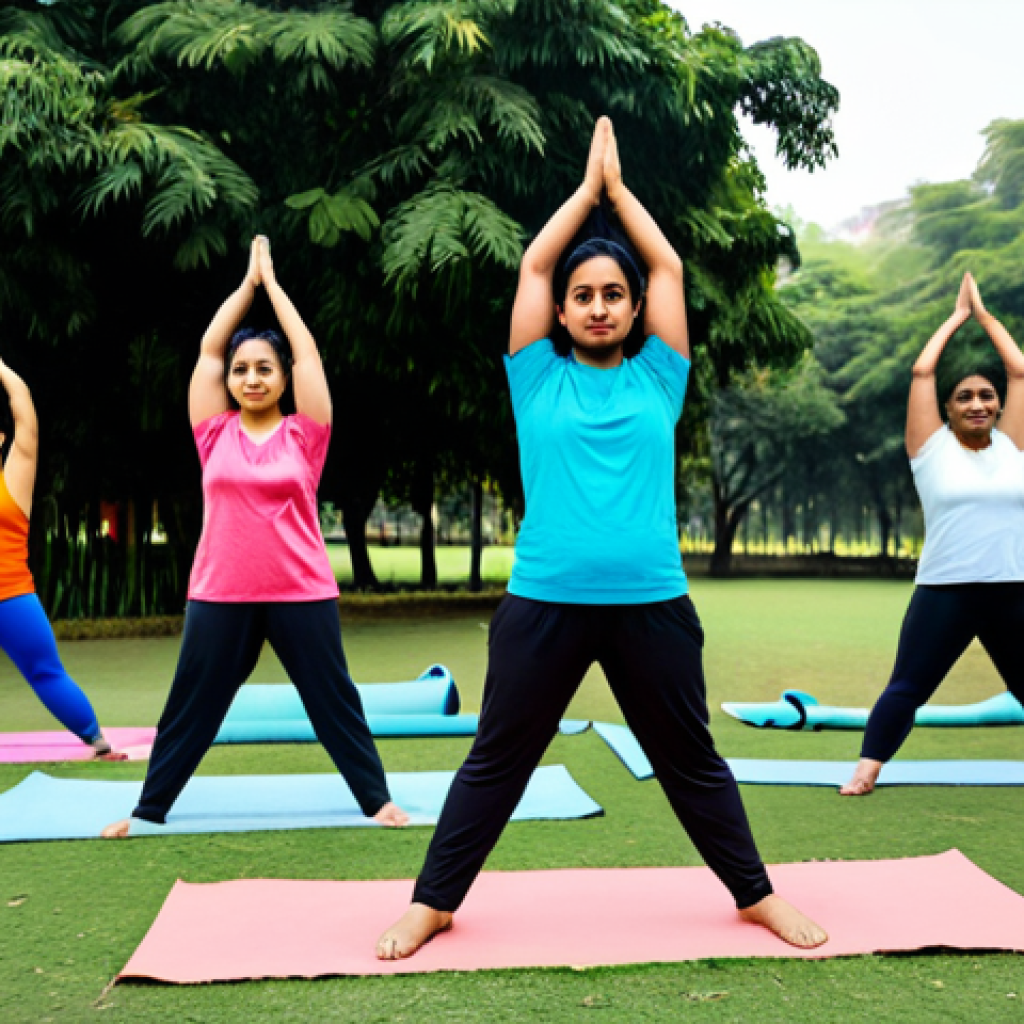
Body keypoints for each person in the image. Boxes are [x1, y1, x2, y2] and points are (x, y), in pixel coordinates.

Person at [376, 118, 827, 958]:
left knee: (692, 763)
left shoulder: (661, 374)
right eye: (583, 295)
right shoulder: (534, 376)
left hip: (652, 606)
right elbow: (534, 263)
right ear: (562, 309)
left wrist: (621, 197)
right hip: (542, 604)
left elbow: (669, 265)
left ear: (632, 309)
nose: (597, 306)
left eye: (612, 295)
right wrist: (585, 194)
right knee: (495, 764)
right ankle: (431, 902)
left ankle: (756, 895)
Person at [102, 237, 407, 836]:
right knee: (192, 705)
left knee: (333, 702)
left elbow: (310, 355)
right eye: (243, 371)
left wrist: (276, 288)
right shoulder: (213, 432)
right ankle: (148, 808)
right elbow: (211, 349)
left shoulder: (305, 436)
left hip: (301, 591)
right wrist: (247, 286)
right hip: (220, 592)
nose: (251, 378)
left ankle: (377, 800)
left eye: (264, 368)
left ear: (282, 378)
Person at [842, 272, 1024, 796]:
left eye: (987, 396)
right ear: (947, 408)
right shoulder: (931, 450)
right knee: (908, 688)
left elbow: (1019, 369)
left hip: (1012, 589)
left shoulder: (1012, 447)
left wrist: (987, 318)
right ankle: (866, 769)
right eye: (964, 396)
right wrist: (956, 318)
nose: (977, 403)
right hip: (946, 589)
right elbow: (923, 371)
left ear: (999, 405)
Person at [0, 359, 121, 758]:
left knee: (45, 672)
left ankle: (97, 742)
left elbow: (23, 408)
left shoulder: (14, 476)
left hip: (10, 596)